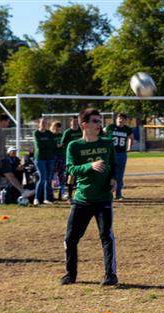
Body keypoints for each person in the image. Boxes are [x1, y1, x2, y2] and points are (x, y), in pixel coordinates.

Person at [61, 108, 118, 286]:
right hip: (82, 199)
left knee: (106, 236)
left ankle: (110, 275)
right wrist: (89, 165)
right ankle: (71, 274)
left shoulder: (107, 143)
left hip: (103, 199)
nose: (99, 124)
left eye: (99, 121)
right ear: (84, 124)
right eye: (95, 121)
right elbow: (71, 168)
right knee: (71, 238)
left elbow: (114, 165)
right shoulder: (75, 146)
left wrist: (114, 179)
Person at [0, 114, 33, 207]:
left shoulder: (2, 132)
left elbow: (2, 146)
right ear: (2, 120)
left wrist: (5, 157)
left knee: (11, 175)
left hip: (3, 159)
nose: (8, 124)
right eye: (7, 121)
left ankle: (23, 191)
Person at [103, 113, 133, 200]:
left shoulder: (127, 129)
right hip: (110, 153)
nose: (121, 120)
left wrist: (129, 147)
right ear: (116, 119)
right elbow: (102, 133)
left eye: (123, 119)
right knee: (108, 173)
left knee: (120, 175)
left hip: (121, 153)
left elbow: (131, 137)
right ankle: (107, 194)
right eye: (119, 118)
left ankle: (118, 194)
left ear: (125, 120)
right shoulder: (110, 127)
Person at [33, 117, 56, 205]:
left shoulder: (49, 133)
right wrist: (48, 144)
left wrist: (47, 144)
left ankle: (47, 199)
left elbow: (53, 145)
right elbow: (39, 145)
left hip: (50, 158)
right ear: (39, 123)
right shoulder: (36, 133)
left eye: (45, 123)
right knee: (42, 178)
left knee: (49, 179)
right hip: (40, 158)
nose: (43, 124)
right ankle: (36, 198)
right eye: (42, 122)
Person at [61, 116, 82, 201]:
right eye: (73, 121)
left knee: (81, 175)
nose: (75, 123)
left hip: (81, 155)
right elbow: (62, 143)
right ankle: (69, 195)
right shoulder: (68, 132)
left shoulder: (81, 130)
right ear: (70, 122)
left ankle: (80, 194)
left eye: (76, 121)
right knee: (71, 176)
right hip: (72, 157)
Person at [51, 121, 67, 200]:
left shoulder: (62, 135)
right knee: (52, 176)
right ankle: (51, 194)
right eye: (56, 126)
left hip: (62, 157)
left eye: (59, 127)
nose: (58, 128)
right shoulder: (51, 135)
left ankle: (61, 193)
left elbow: (64, 144)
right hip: (53, 157)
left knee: (62, 176)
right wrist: (56, 145)